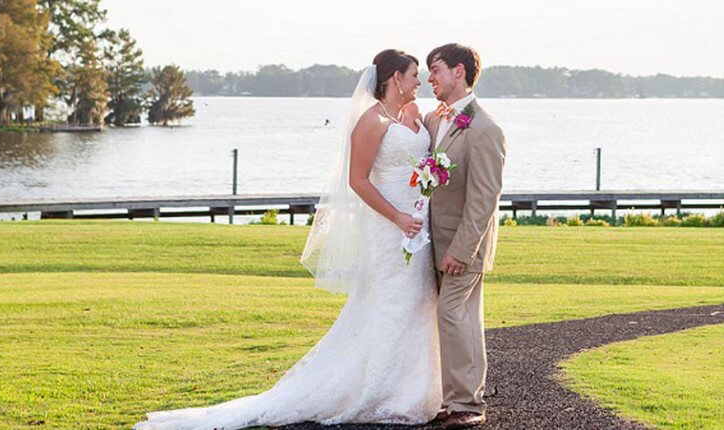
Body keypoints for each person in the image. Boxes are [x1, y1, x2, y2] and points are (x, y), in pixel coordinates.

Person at [133, 49, 442, 429]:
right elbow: (357, 180)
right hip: (389, 228)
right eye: (414, 75)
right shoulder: (371, 120)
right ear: (396, 77)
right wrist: (396, 217)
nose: (419, 81)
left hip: (417, 228)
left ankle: (415, 389)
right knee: (389, 306)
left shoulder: (410, 115)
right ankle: (383, 392)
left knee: (416, 304)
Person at [423, 43, 506, 428]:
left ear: (459, 71)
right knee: (453, 317)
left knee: (456, 314)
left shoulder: (485, 129)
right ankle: (452, 399)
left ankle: (469, 405)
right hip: (436, 241)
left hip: (464, 246)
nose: (430, 78)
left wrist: (462, 249)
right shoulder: (437, 120)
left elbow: (484, 198)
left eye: (436, 69)